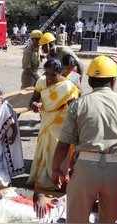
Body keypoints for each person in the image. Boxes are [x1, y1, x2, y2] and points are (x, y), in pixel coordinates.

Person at [52, 55, 117, 222]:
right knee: (109, 219)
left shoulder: (78, 105)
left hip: (86, 169)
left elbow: (64, 143)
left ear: (91, 81)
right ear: (114, 81)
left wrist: (56, 168)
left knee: (77, 219)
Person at [27, 59, 79, 190]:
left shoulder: (68, 87)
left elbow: (74, 109)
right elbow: (34, 99)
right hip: (46, 122)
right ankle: (42, 179)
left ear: (60, 73)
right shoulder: (41, 81)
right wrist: (34, 104)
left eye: (53, 75)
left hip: (61, 124)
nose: (49, 78)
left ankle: (57, 181)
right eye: (47, 74)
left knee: (57, 152)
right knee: (44, 150)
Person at [0, 179, 67, 223]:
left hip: (59, 208)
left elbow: (34, 193)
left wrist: (40, 197)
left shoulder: (9, 191)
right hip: (51, 221)